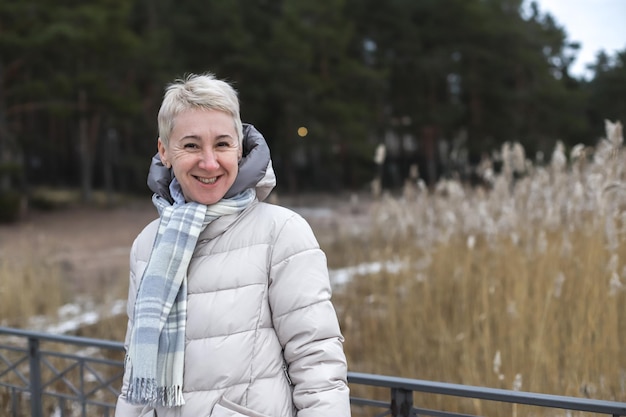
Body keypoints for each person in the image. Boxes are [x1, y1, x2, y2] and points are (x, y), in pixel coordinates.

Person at [114, 72, 351, 417]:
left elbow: (318, 367)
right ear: (164, 152)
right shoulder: (149, 244)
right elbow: (135, 376)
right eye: (191, 145)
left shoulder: (282, 232)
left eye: (223, 144)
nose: (209, 163)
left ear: (240, 149)